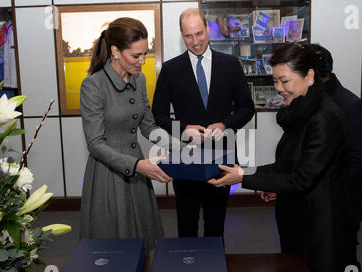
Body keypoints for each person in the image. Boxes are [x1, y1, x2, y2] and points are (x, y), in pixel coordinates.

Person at [209, 43, 359, 272]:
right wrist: (253, 175)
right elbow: (285, 167)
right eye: (275, 80)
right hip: (299, 216)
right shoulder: (301, 112)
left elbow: (302, 178)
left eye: (284, 80)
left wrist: (244, 177)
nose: (278, 88)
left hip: (322, 225)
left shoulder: (325, 118)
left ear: (310, 76)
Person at [152, 8, 254, 238]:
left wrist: (225, 124)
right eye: (189, 36)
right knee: (186, 227)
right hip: (184, 158)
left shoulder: (230, 64)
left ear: (208, 29)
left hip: (221, 158)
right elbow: (157, 115)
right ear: (181, 34)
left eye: (199, 33)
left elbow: (247, 108)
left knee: (216, 227)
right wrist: (183, 130)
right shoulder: (170, 69)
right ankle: (187, 271)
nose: (196, 41)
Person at [79, 17, 172, 254]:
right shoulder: (93, 85)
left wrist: (181, 146)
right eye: (136, 55)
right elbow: (95, 144)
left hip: (138, 170)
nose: (142, 61)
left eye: (145, 53)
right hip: (108, 175)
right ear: (115, 51)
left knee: (143, 246)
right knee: (113, 249)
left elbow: (149, 127)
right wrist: (138, 166)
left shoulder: (139, 80)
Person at [310, 43, 362, 233]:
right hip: (311, 206)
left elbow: (361, 161)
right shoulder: (307, 102)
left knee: (342, 260)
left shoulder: (352, 107)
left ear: (310, 75)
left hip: (339, 206)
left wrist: (313, 187)